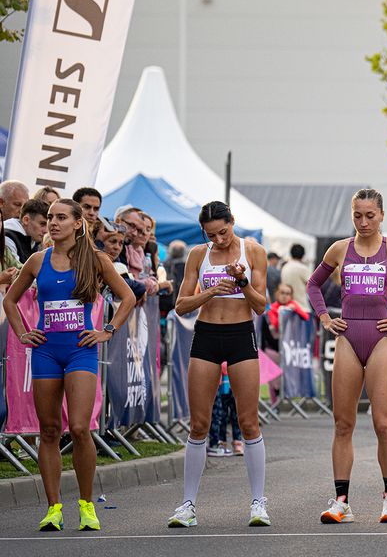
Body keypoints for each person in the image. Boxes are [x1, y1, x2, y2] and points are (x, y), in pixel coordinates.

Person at [2, 200, 135, 531]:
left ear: (78, 223)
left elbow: (128, 297)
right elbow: (9, 299)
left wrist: (108, 331)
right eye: (50, 217)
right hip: (46, 351)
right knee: (48, 430)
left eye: (61, 217)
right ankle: (53, 508)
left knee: (78, 428)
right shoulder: (37, 260)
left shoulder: (96, 260)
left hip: (81, 351)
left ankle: (87, 505)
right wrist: (22, 332)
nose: (53, 223)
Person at [306, 188, 387, 525]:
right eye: (357, 216)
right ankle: (341, 501)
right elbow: (312, 285)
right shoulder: (339, 249)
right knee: (343, 423)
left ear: (382, 215)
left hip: (381, 339)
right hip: (348, 338)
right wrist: (323, 317)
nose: (363, 222)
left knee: (383, 423)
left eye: (370, 215)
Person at [167, 201, 271, 528]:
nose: (220, 239)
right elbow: (181, 305)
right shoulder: (199, 255)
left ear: (232, 223)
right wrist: (209, 292)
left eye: (223, 232)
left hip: (241, 334)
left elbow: (261, 306)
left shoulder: (253, 252)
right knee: (199, 423)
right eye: (212, 234)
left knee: (248, 420)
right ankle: (187, 504)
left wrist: (242, 283)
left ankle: (258, 502)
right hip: (207, 334)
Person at [263, 283, 308, 404]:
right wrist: (281, 313)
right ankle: (275, 403)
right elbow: (276, 325)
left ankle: (285, 396)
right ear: (277, 294)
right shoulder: (272, 308)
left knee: (289, 373)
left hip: (289, 347)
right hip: (273, 346)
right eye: (282, 293)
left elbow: (306, 317)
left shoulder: (292, 306)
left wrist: (294, 309)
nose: (284, 296)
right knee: (274, 376)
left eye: (288, 294)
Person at [4, 198, 49, 264]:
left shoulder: (34, 238)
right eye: (42, 224)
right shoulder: (7, 237)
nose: (46, 231)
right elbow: (15, 271)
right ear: (26, 220)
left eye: (48, 225)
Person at [281, 244, 311, 313]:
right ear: (303, 255)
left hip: (287, 306)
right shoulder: (302, 268)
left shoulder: (285, 267)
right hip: (301, 307)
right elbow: (312, 285)